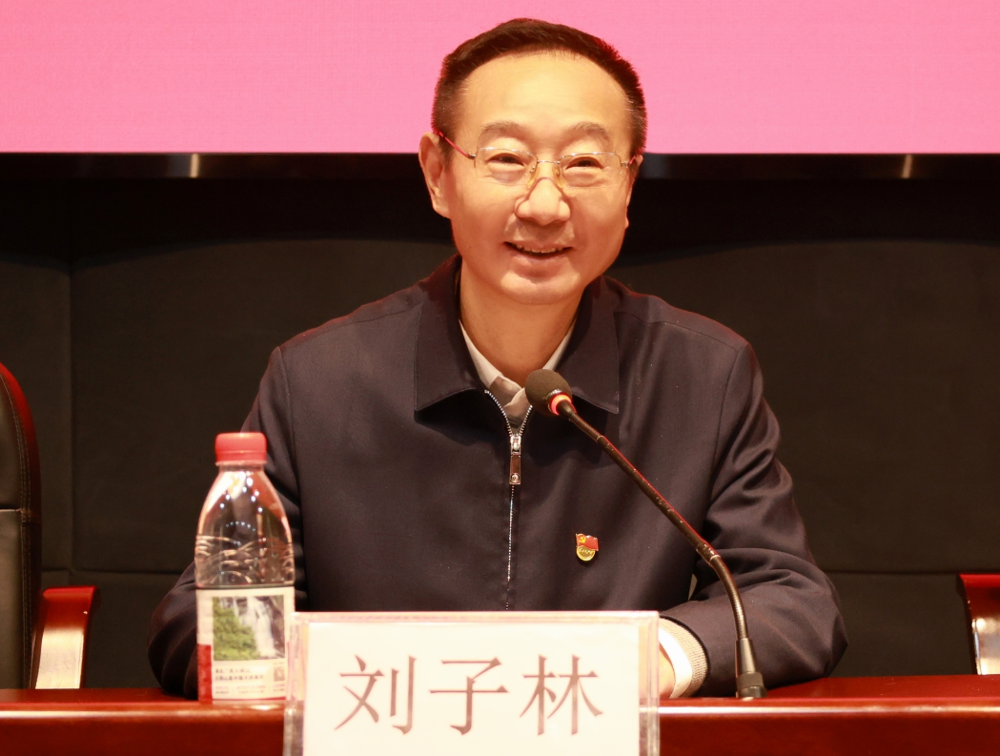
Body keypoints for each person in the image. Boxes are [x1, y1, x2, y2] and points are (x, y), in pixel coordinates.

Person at [149, 18, 846, 699]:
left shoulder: (701, 376)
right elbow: (194, 624)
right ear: (438, 174)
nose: (544, 204)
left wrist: (654, 660)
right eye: (507, 159)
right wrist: (365, 677)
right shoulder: (319, 382)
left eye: (584, 164)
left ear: (629, 183)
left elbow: (791, 599)